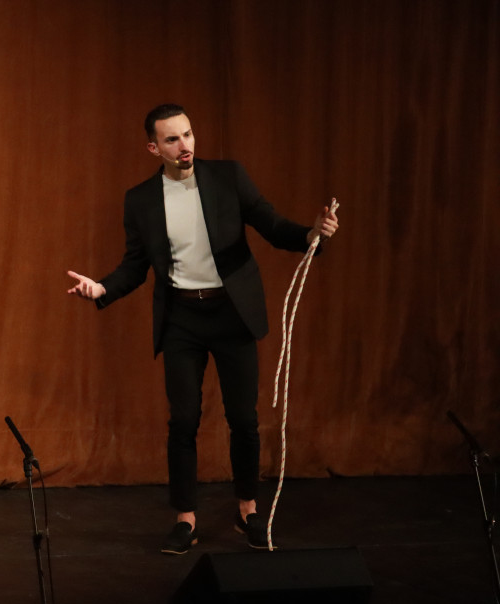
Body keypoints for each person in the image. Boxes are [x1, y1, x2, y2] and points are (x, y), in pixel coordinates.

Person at [67, 103, 339, 555]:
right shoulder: (141, 199)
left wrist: (313, 234)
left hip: (232, 314)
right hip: (182, 319)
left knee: (244, 419)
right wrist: (101, 288)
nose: (184, 145)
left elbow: (272, 227)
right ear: (153, 148)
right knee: (184, 420)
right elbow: (135, 267)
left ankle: (247, 509)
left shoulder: (228, 177)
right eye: (172, 140)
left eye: (188, 134)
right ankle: (185, 519)